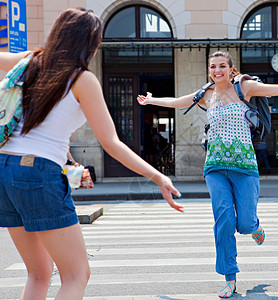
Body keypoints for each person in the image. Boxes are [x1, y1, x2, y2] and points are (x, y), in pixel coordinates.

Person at [0, 8, 183, 300]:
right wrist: (157, 175)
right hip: (36, 172)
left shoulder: (29, 60)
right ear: (91, 43)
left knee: (39, 272)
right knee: (76, 274)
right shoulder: (81, 79)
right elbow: (111, 142)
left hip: (3, 169)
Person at [137, 50, 278, 298]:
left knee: (243, 223)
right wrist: (152, 100)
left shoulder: (245, 87)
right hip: (215, 167)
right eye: (213, 66)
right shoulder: (206, 94)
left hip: (245, 167)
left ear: (231, 69)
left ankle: (254, 227)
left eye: (222, 66)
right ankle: (229, 278)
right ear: (209, 70)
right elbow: (179, 101)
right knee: (224, 221)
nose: (217, 70)